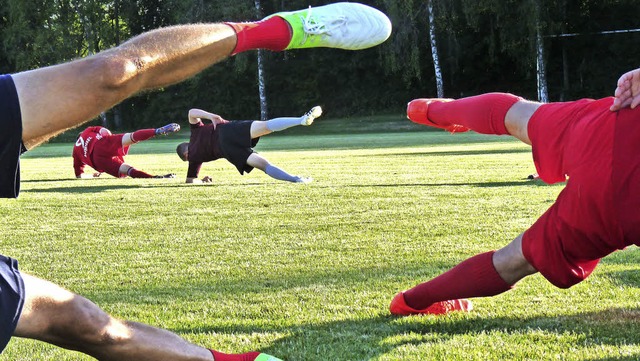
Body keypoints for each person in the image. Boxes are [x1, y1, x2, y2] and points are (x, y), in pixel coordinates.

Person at [0, 2, 391, 360]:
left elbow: (125, 96)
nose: (188, 154)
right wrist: (170, 171)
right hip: (234, 141)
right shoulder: (190, 154)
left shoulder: (188, 142)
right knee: (86, 326)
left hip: (230, 133)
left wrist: (183, 139)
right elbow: (149, 156)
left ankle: (271, 30)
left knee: (86, 323)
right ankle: (295, 157)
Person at [389, 71, 640, 317]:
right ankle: (412, 300)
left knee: (519, 115)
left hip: (619, 128)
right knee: (515, 259)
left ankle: (430, 110)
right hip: (626, 205)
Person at [176, 106, 322, 184]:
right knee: (266, 126)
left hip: (228, 151)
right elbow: (191, 112)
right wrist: (210, 116)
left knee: (264, 165)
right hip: (226, 131)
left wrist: (202, 181)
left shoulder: (194, 159)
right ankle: (301, 120)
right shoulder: (196, 132)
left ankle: (296, 179)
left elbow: (190, 181)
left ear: (186, 155)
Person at [73, 123, 180, 179]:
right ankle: (156, 131)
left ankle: (153, 178)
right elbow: (104, 131)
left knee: (126, 169)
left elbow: (79, 176)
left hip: (97, 160)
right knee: (131, 137)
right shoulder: (87, 131)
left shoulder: (75, 151)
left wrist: (92, 176)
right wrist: (113, 141)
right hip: (101, 143)